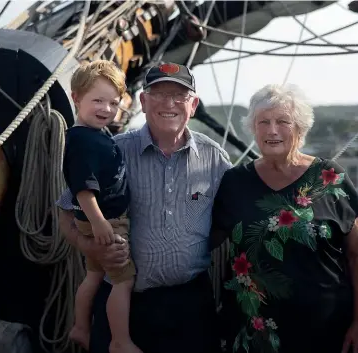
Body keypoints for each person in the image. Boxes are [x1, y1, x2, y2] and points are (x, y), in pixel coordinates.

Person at [57, 62, 233, 353]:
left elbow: (240, 208)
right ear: (143, 101)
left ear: (194, 104)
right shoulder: (114, 150)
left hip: (189, 307)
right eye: (159, 93)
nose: (169, 103)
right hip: (125, 306)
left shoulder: (214, 159)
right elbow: (66, 210)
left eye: (179, 96)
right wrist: (90, 247)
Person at [211, 84, 358, 353]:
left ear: (300, 128)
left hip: (325, 331)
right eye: (263, 122)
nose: (272, 130)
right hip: (253, 334)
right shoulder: (234, 182)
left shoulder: (330, 178)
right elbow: (204, 240)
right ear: (253, 128)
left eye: (282, 121)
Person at [63, 60, 141, 353]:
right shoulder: (84, 142)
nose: (106, 109)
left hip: (98, 220)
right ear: (76, 98)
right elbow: (83, 189)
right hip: (108, 221)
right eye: (98, 101)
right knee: (123, 280)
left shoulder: (93, 136)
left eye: (113, 103)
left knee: (94, 275)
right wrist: (99, 223)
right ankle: (120, 341)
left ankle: (81, 327)